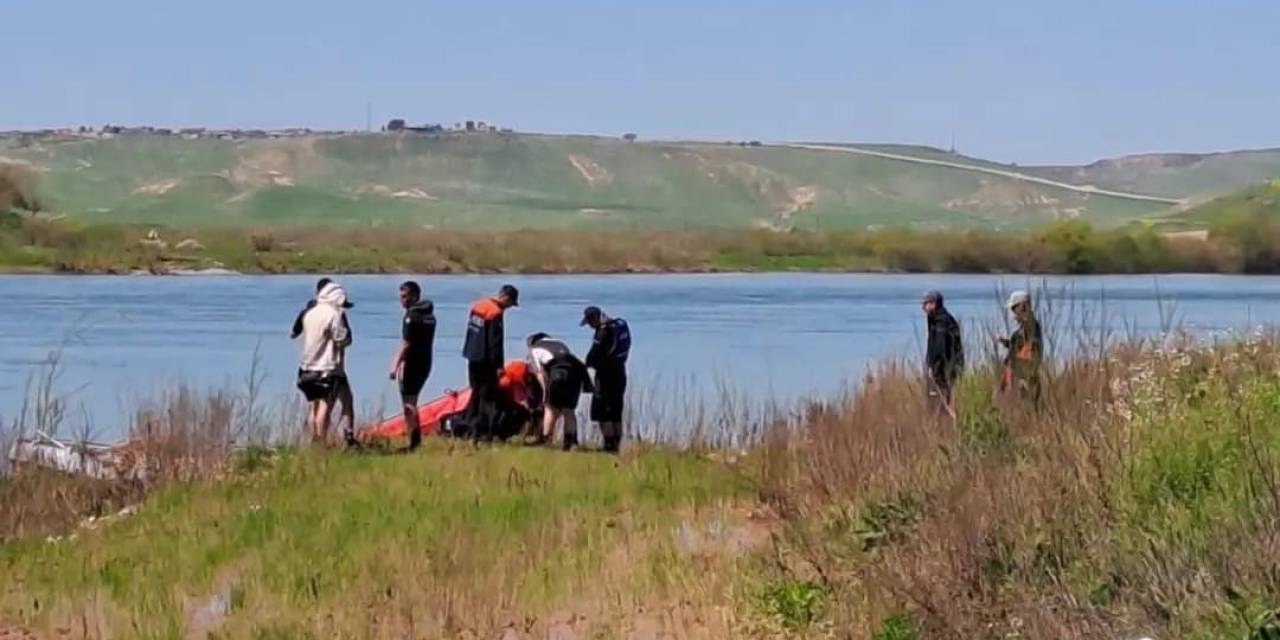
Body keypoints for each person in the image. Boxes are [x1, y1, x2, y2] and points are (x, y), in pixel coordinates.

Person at [295, 280, 355, 445]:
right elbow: (341, 339)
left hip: (306, 368)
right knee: (324, 406)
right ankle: (321, 442)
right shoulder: (333, 314)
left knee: (313, 405)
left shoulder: (310, 313)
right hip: (327, 368)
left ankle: (314, 439)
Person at [459, 284, 519, 440]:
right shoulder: (495, 313)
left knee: (475, 393)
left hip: (472, 356)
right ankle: (483, 433)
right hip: (486, 362)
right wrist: (498, 366)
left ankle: (468, 428)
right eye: (510, 304)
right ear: (505, 297)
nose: (508, 308)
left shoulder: (478, 305)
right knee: (487, 399)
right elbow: (495, 343)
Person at [388, 281, 436, 451]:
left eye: (405, 297)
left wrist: (395, 364)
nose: (402, 300)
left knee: (408, 403)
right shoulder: (429, 315)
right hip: (426, 362)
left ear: (415, 296)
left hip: (413, 363)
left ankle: (413, 442)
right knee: (412, 401)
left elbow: (406, 343)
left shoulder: (411, 316)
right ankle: (415, 440)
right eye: (401, 297)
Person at [526, 332, 591, 450]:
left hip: (557, 373)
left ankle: (546, 441)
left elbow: (540, 373)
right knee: (569, 410)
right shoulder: (560, 344)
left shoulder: (534, 349)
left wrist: (545, 392)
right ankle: (570, 443)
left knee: (550, 408)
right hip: (575, 374)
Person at [582, 306, 631, 453]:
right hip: (620, 372)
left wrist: (584, 362)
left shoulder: (603, 332)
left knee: (602, 412)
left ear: (595, 319)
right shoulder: (619, 325)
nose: (590, 326)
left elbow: (592, 356)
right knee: (616, 411)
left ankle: (609, 446)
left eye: (590, 323)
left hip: (605, 376)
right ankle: (617, 445)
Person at [922, 291, 963, 417]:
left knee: (941, 403)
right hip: (944, 369)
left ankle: (944, 427)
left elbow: (940, 349)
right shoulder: (936, 319)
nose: (923, 307)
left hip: (944, 370)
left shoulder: (942, 321)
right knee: (940, 402)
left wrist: (934, 370)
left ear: (934, 304)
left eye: (926, 303)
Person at [997, 290, 1043, 402]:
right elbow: (1022, 348)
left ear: (1022, 307)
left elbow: (1030, 354)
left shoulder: (1030, 326)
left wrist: (1021, 380)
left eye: (1014, 309)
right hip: (1020, 378)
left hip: (1022, 380)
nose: (1012, 313)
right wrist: (1008, 343)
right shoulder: (1027, 326)